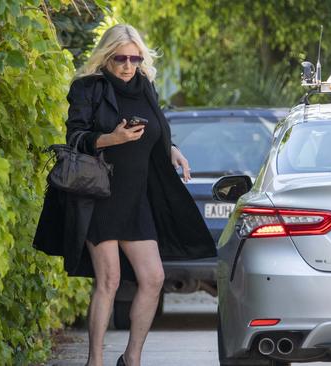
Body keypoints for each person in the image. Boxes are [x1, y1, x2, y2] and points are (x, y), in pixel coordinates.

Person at [33, 24, 216, 366]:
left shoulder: (145, 86)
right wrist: (110, 139)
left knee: (154, 278)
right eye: (121, 58)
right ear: (107, 56)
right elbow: (75, 138)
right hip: (99, 196)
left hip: (136, 199)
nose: (128, 65)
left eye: (135, 58)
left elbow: (156, 128)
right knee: (110, 280)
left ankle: (131, 357)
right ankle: (96, 360)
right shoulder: (88, 88)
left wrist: (171, 148)